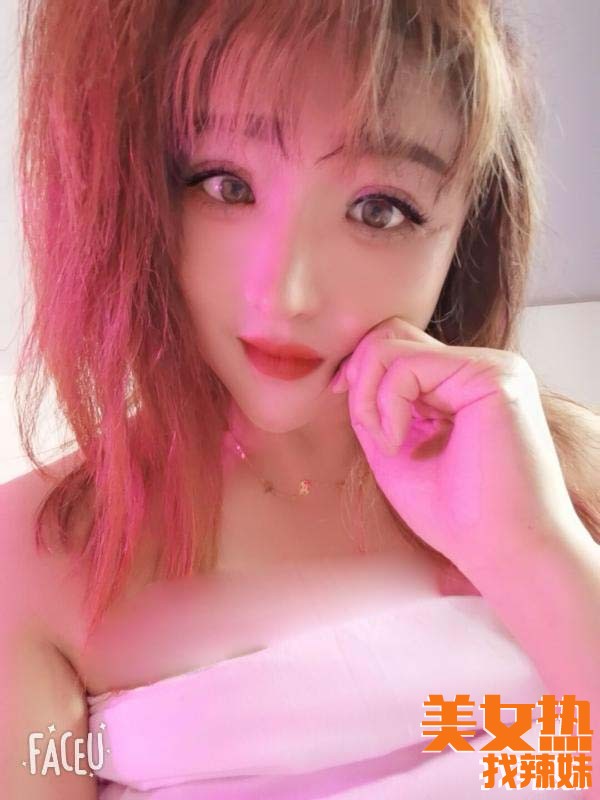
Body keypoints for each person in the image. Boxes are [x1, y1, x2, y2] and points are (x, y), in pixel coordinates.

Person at [2, 0, 599, 797]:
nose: (287, 295)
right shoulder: (36, 557)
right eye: (225, 184)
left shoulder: (566, 475)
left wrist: (532, 552)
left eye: (379, 209)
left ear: (467, 233)